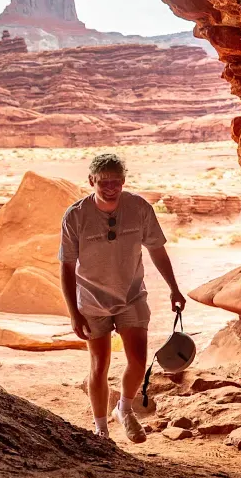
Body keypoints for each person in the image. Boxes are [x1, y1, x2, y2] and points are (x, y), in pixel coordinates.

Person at [59, 152, 186, 443]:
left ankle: (124, 409)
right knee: (99, 365)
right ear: (91, 181)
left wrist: (174, 288)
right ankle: (101, 428)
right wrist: (73, 312)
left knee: (138, 360)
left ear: (124, 181)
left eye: (116, 181)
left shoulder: (139, 208)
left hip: (131, 296)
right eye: (103, 182)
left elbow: (156, 249)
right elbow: (66, 266)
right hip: (92, 300)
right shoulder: (76, 216)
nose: (110, 187)